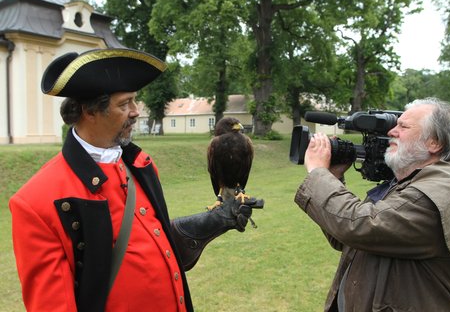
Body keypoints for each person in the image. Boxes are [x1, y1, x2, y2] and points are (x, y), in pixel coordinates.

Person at [9, 48, 263, 312]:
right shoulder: (36, 203)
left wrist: (208, 224)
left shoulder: (139, 165)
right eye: (124, 104)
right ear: (90, 112)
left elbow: (150, 247)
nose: (136, 112)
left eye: (135, 101)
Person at [294, 98, 450, 311]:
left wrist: (318, 172)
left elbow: (360, 226)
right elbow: (346, 238)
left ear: (434, 143)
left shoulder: (441, 190)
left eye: (403, 126)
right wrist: (333, 177)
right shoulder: (410, 184)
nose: (392, 131)